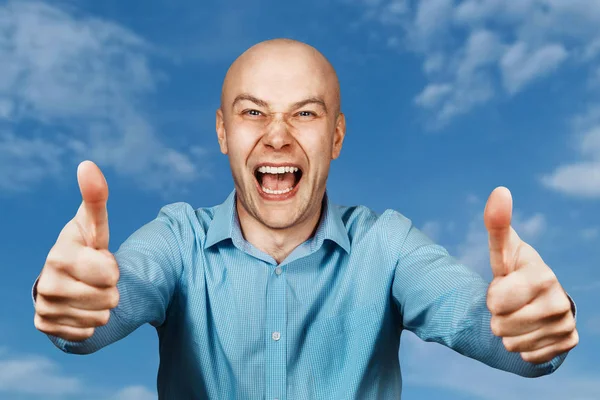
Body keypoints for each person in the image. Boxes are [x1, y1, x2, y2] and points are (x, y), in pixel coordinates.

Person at [33, 39, 578, 399]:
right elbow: (112, 299)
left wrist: (534, 327)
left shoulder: (386, 245)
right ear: (223, 133)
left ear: (336, 136)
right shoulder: (178, 239)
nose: (277, 135)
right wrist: (72, 305)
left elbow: (477, 320)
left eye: (304, 113)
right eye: (252, 112)